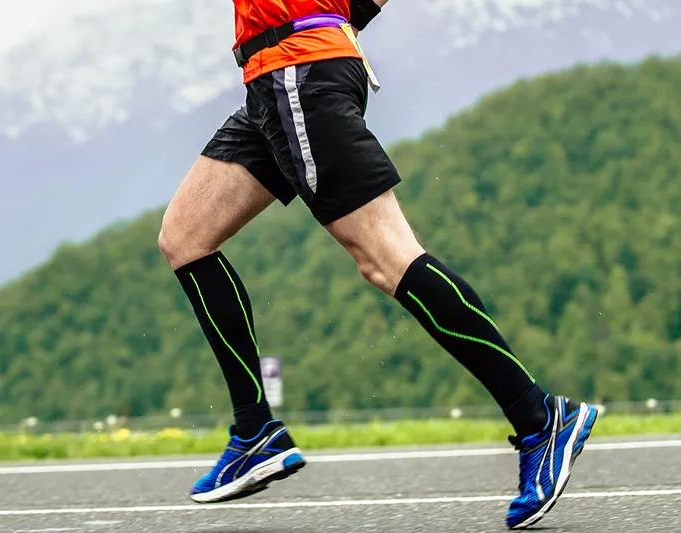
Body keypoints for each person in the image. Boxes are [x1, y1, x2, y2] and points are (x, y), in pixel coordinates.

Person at [158, 0, 598, 528]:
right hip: (277, 79)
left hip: (299, 73)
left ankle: (540, 417)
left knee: (388, 260)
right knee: (185, 237)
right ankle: (254, 431)